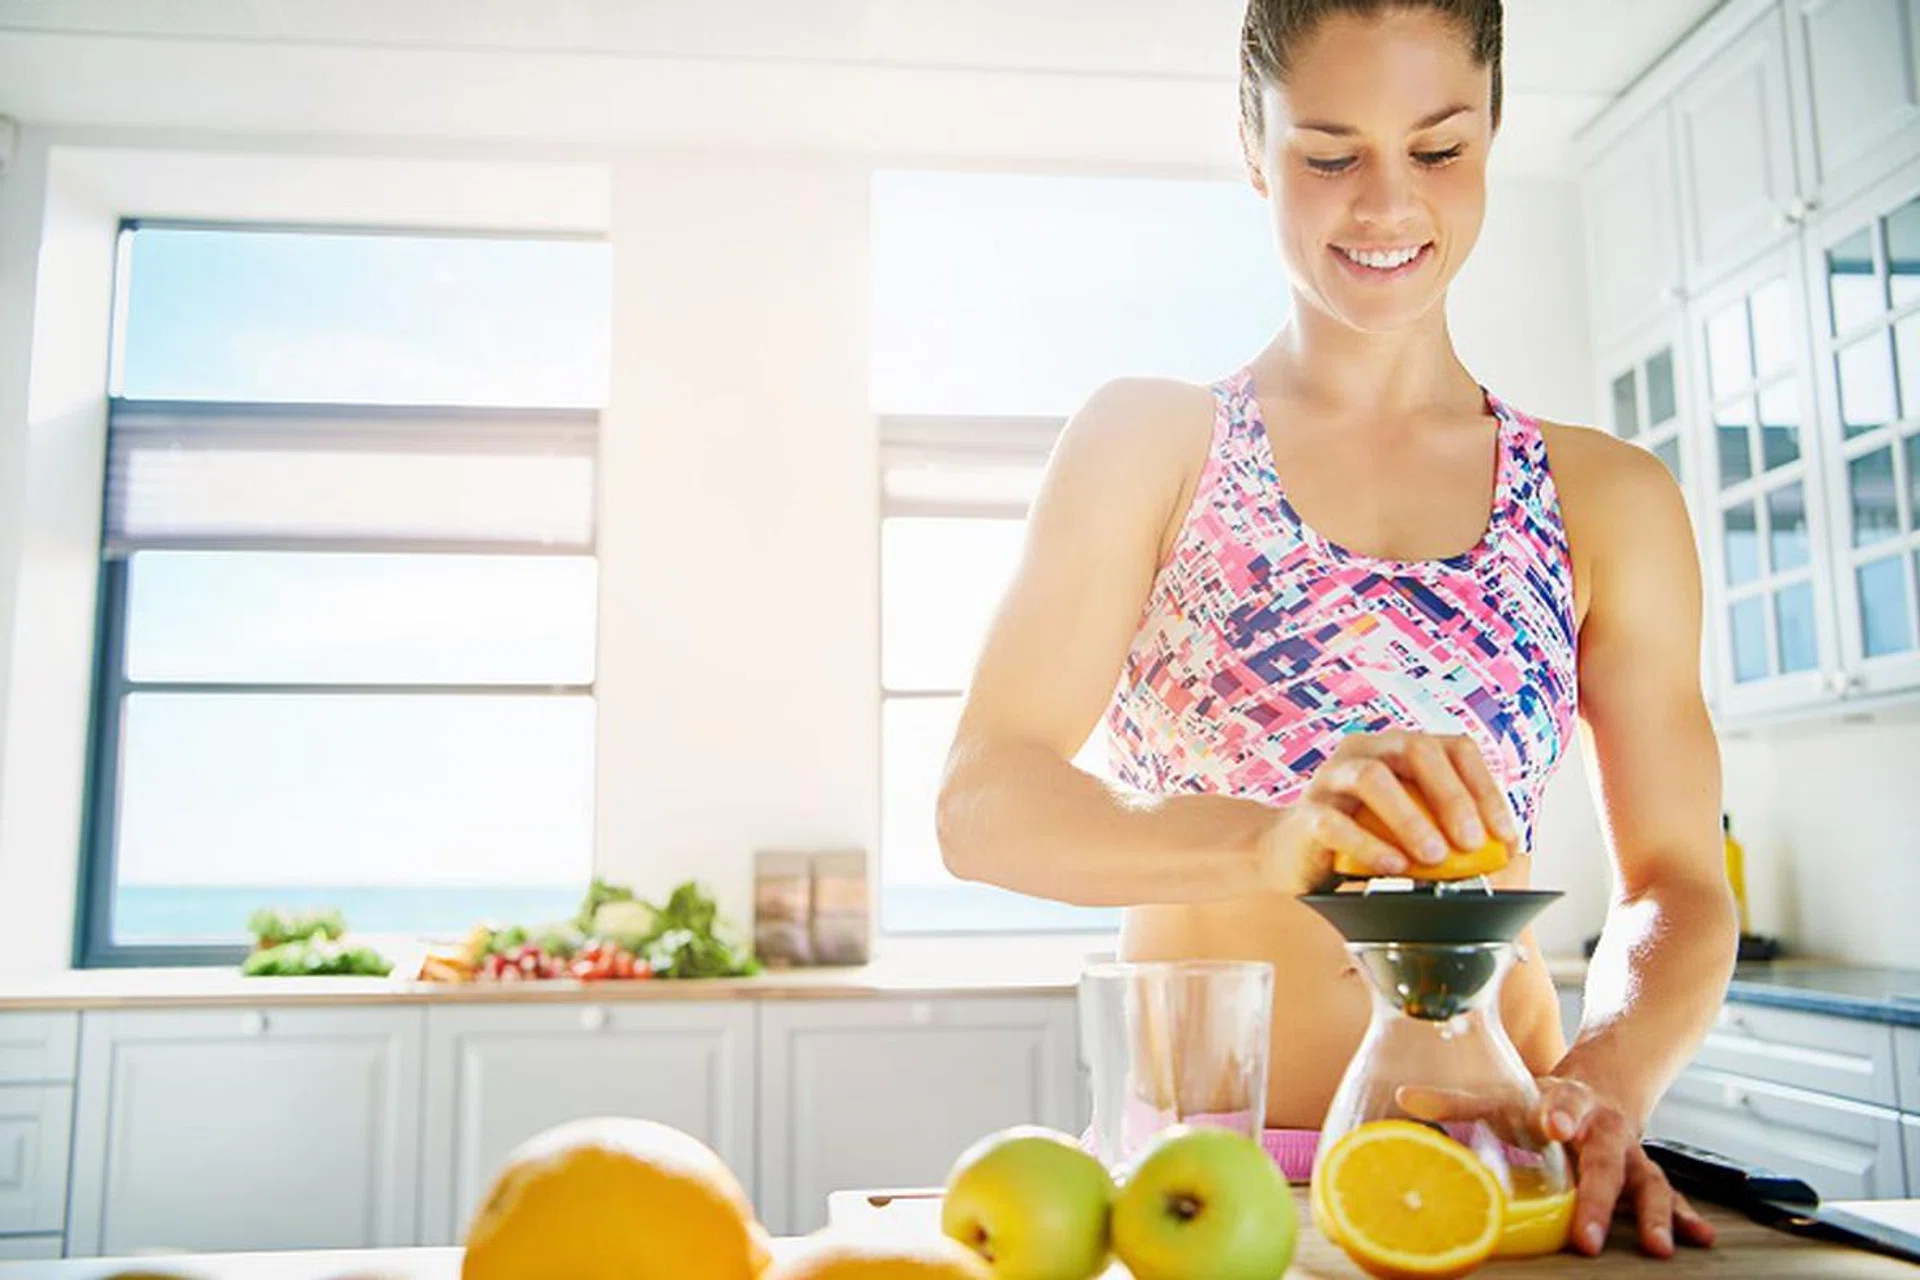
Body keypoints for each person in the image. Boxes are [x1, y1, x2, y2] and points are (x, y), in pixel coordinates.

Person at [935, 0, 1739, 1260]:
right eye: (1327, 152)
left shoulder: (1609, 497)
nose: (1383, 206)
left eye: (1436, 149)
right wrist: (1269, 842)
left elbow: (1678, 884)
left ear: (1491, 135)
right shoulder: (1152, 443)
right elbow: (982, 802)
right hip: (1202, 1173)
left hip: (1498, 1162)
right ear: (1254, 147)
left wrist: (1607, 1080)